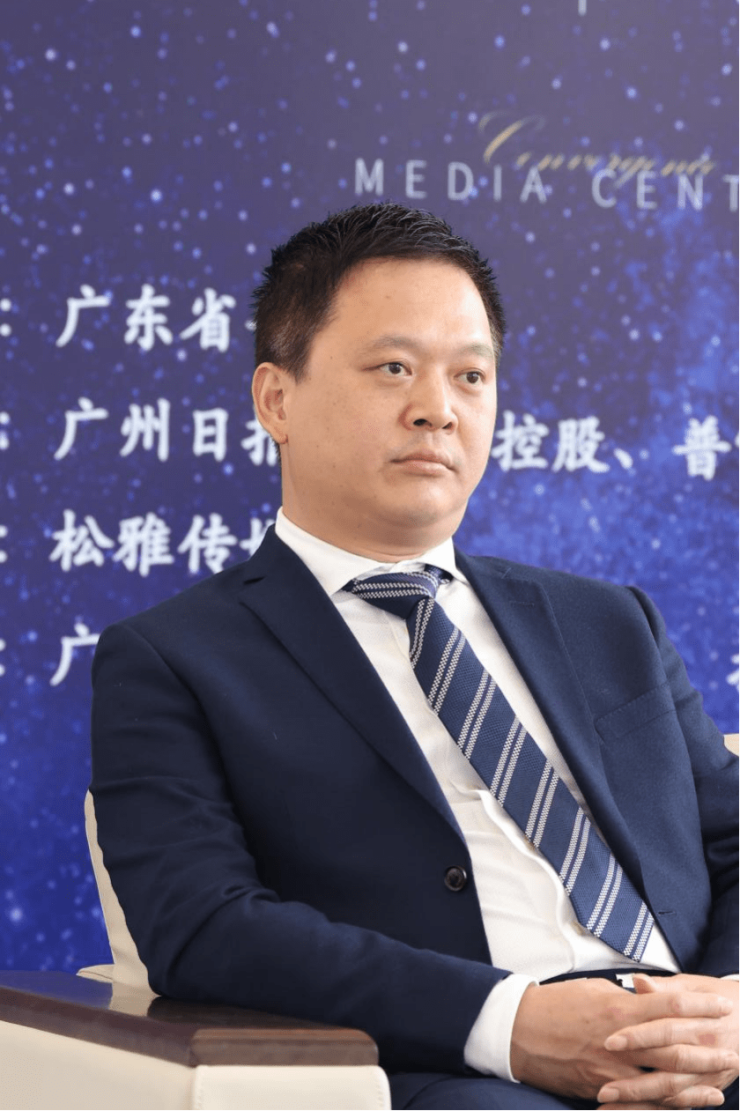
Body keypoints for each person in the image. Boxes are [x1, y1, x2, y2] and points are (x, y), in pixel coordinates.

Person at [90, 202, 740, 1111]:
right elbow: (202, 924)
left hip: (701, 1044)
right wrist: (510, 1023)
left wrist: (722, 1007)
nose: (438, 408)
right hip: (469, 1072)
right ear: (276, 400)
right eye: (394, 367)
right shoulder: (173, 658)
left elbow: (731, 839)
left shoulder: (611, 621)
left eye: (471, 375)